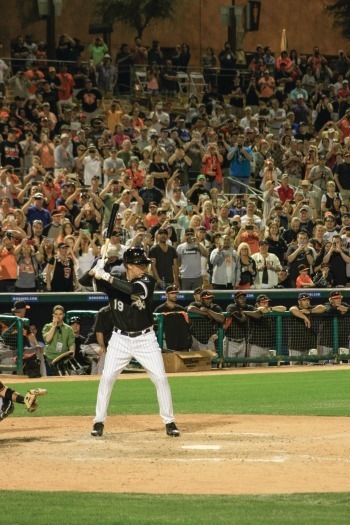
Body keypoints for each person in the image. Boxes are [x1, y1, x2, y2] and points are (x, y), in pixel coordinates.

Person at [87, 247, 180, 438]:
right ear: (128, 265)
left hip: (145, 339)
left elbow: (133, 290)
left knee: (160, 379)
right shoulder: (114, 279)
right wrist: (95, 269)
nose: (144, 267)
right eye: (139, 264)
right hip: (119, 339)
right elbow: (84, 281)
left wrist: (106, 277)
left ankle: (169, 422)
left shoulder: (147, 280)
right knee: (107, 379)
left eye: (144, 264)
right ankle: (98, 421)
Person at [248, 295, 287, 366]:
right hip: (255, 346)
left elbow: (283, 308)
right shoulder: (254, 310)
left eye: (267, 302)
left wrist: (271, 308)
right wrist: (269, 309)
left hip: (266, 347)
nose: (266, 304)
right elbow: (262, 309)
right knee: (251, 368)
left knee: (264, 369)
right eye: (263, 302)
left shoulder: (270, 310)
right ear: (257, 304)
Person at [223, 291, 261, 366]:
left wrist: (244, 312)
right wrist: (250, 314)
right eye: (240, 298)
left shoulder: (248, 307)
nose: (242, 299)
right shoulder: (231, 307)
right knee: (229, 366)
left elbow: (258, 315)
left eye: (244, 298)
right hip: (230, 341)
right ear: (235, 300)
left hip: (243, 341)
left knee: (240, 366)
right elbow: (241, 319)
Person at [289, 293, 325, 364]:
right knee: (295, 368)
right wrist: (305, 317)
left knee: (307, 368)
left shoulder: (310, 308)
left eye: (308, 300)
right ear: (299, 301)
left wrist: (310, 311)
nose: (307, 302)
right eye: (304, 300)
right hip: (295, 345)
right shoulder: (296, 308)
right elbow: (292, 309)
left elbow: (322, 307)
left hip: (308, 345)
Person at [154, 285, 192, 351]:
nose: (174, 295)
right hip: (168, 342)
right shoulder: (160, 309)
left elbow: (187, 326)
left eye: (175, 293)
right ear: (166, 294)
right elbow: (155, 327)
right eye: (172, 293)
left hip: (182, 343)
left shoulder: (181, 309)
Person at [42, 305, 75, 375]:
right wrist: (54, 326)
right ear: (53, 315)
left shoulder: (68, 329)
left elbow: (71, 343)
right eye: (56, 314)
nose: (58, 316)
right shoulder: (47, 326)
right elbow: (47, 340)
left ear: (63, 315)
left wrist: (72, 353)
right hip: (49, 358)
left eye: (60, 314)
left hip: (63, 359)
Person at [80, 306, 114, 375]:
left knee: (97, 362)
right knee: (102, 353)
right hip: (92, 344)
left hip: (102, 345)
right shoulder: (103, 312)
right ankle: (101, 378)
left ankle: (93, 380)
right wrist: (103, 347)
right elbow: (99, 333)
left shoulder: (119, 313)